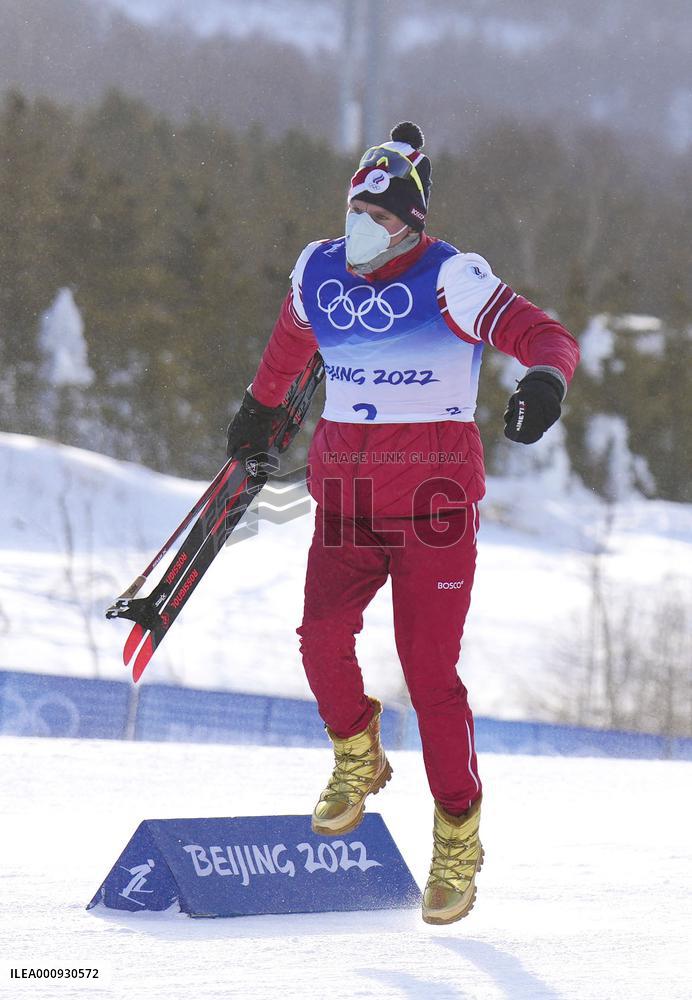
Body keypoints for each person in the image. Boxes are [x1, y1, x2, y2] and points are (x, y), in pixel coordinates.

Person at [226, 122, 580, 924]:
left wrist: (546, 384)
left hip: (434, 511)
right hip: (347, 502)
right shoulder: (321, 271)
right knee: (319, 639)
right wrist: (259, 409)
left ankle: (458, 834)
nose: (363, 227)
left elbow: (545, 335)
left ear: (411, 223)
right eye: (357, 209)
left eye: (381, 217)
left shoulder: (453, 279)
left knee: (429, 675)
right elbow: (290, 340)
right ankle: (356, 750)